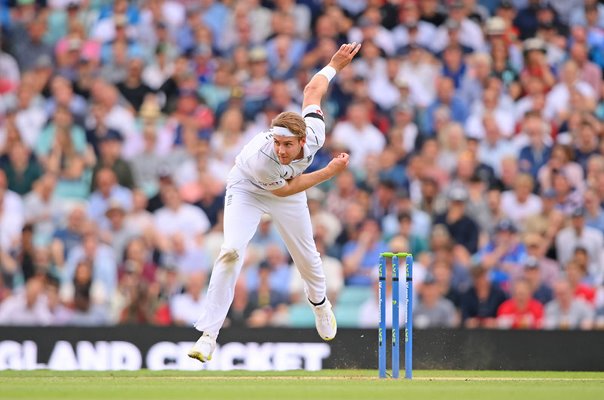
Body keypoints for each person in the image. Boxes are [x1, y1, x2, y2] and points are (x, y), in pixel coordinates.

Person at [188, 43, 361, 363]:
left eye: (287, 145)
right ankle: (208, 335)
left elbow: (312, 89)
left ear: (302, 141)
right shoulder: (262, 158)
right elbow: (284, 188)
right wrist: (329, 172)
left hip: (288, 190)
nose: (281, 150)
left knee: (307, 254)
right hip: (247, 188)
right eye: (277, 143)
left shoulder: (315, 133)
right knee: (230, 251)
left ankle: (321, 305)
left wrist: (334, 65)